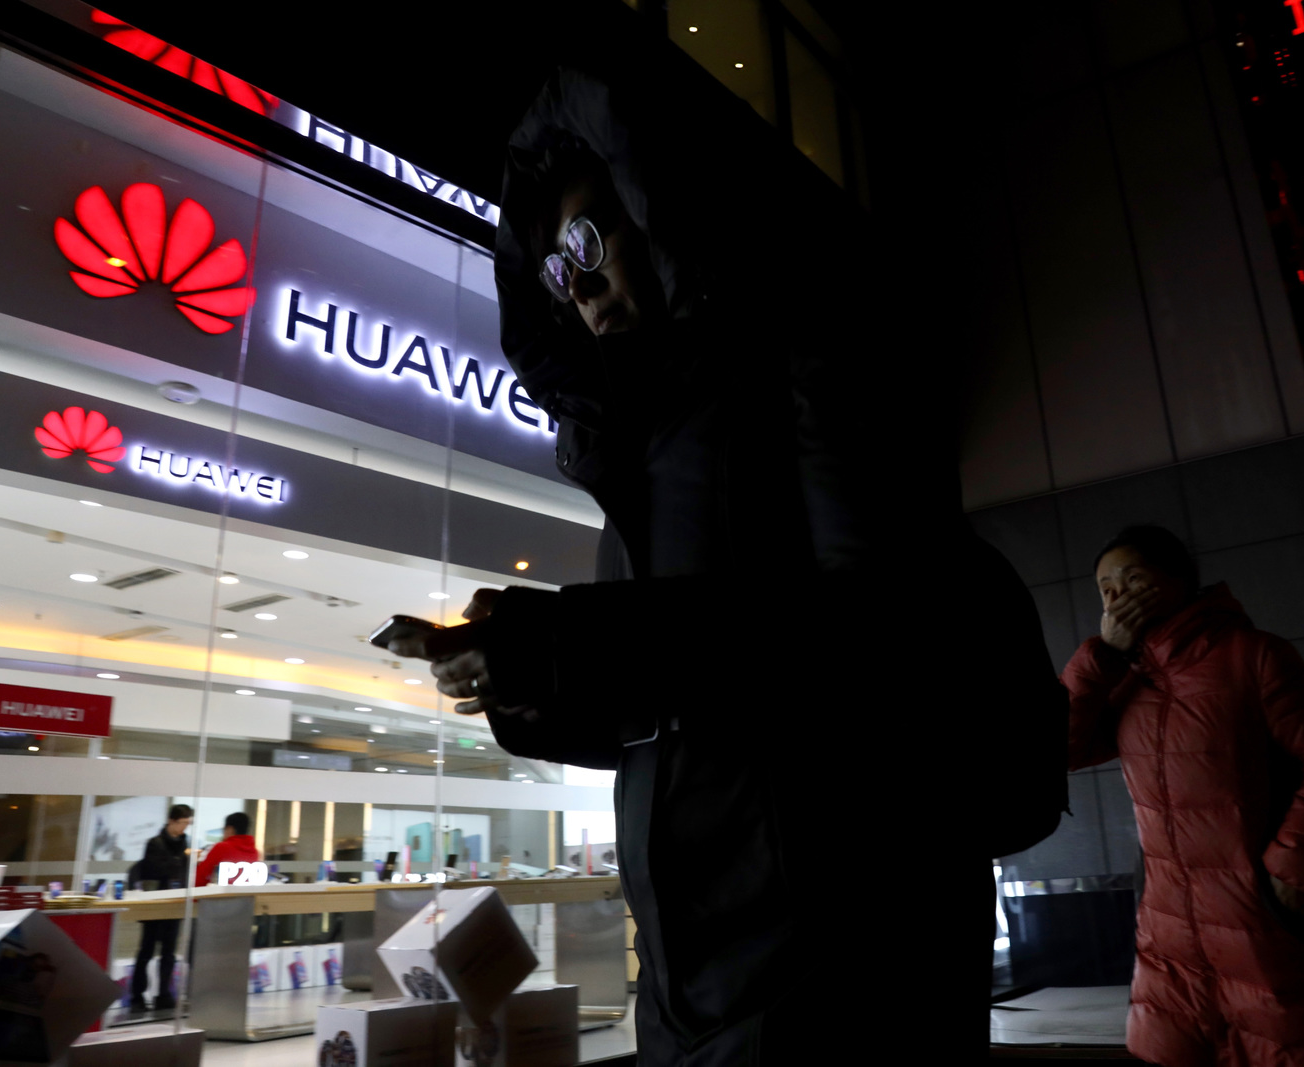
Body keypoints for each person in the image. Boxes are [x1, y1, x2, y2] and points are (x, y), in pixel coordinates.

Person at [387, 67, 1069, 1064]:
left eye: (588, 242)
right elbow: (676, 718)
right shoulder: (634, 462)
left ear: (663, 216)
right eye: (553, 270)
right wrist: (528, 675)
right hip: (688, 976)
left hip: (841, 958)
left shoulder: (810, 368)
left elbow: (862, 632)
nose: (576, 284)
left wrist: (565, 641)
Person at [1062, 525, 1304, 1067]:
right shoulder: (1125, 682)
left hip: (1258, 916)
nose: (1118, 598)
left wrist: (1292, 872)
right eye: (1105, 589)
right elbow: (1058, 751)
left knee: (1286, 1045)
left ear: (1179, 581)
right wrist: (1101, 657)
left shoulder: (1253, 655)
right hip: (1167, 930)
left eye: (1132, 580)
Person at [130, 803, 190, 1012]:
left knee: (169, 953)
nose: (184, 827)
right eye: (182, 823)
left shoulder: (185, 845)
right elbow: (154, 869)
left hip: (174, 903)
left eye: (188, 823)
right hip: (155, 904)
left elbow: (183, 872)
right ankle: (137, 995)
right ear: (171, 821)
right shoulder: (155, 843)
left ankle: (163, 994)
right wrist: (177, 861)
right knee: (146, 950)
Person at [193, 812, 259, 887]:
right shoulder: (254, 852)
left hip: (221, 894)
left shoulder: (221, 847)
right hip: (246, 894)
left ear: (230, 829)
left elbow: (200, 877)